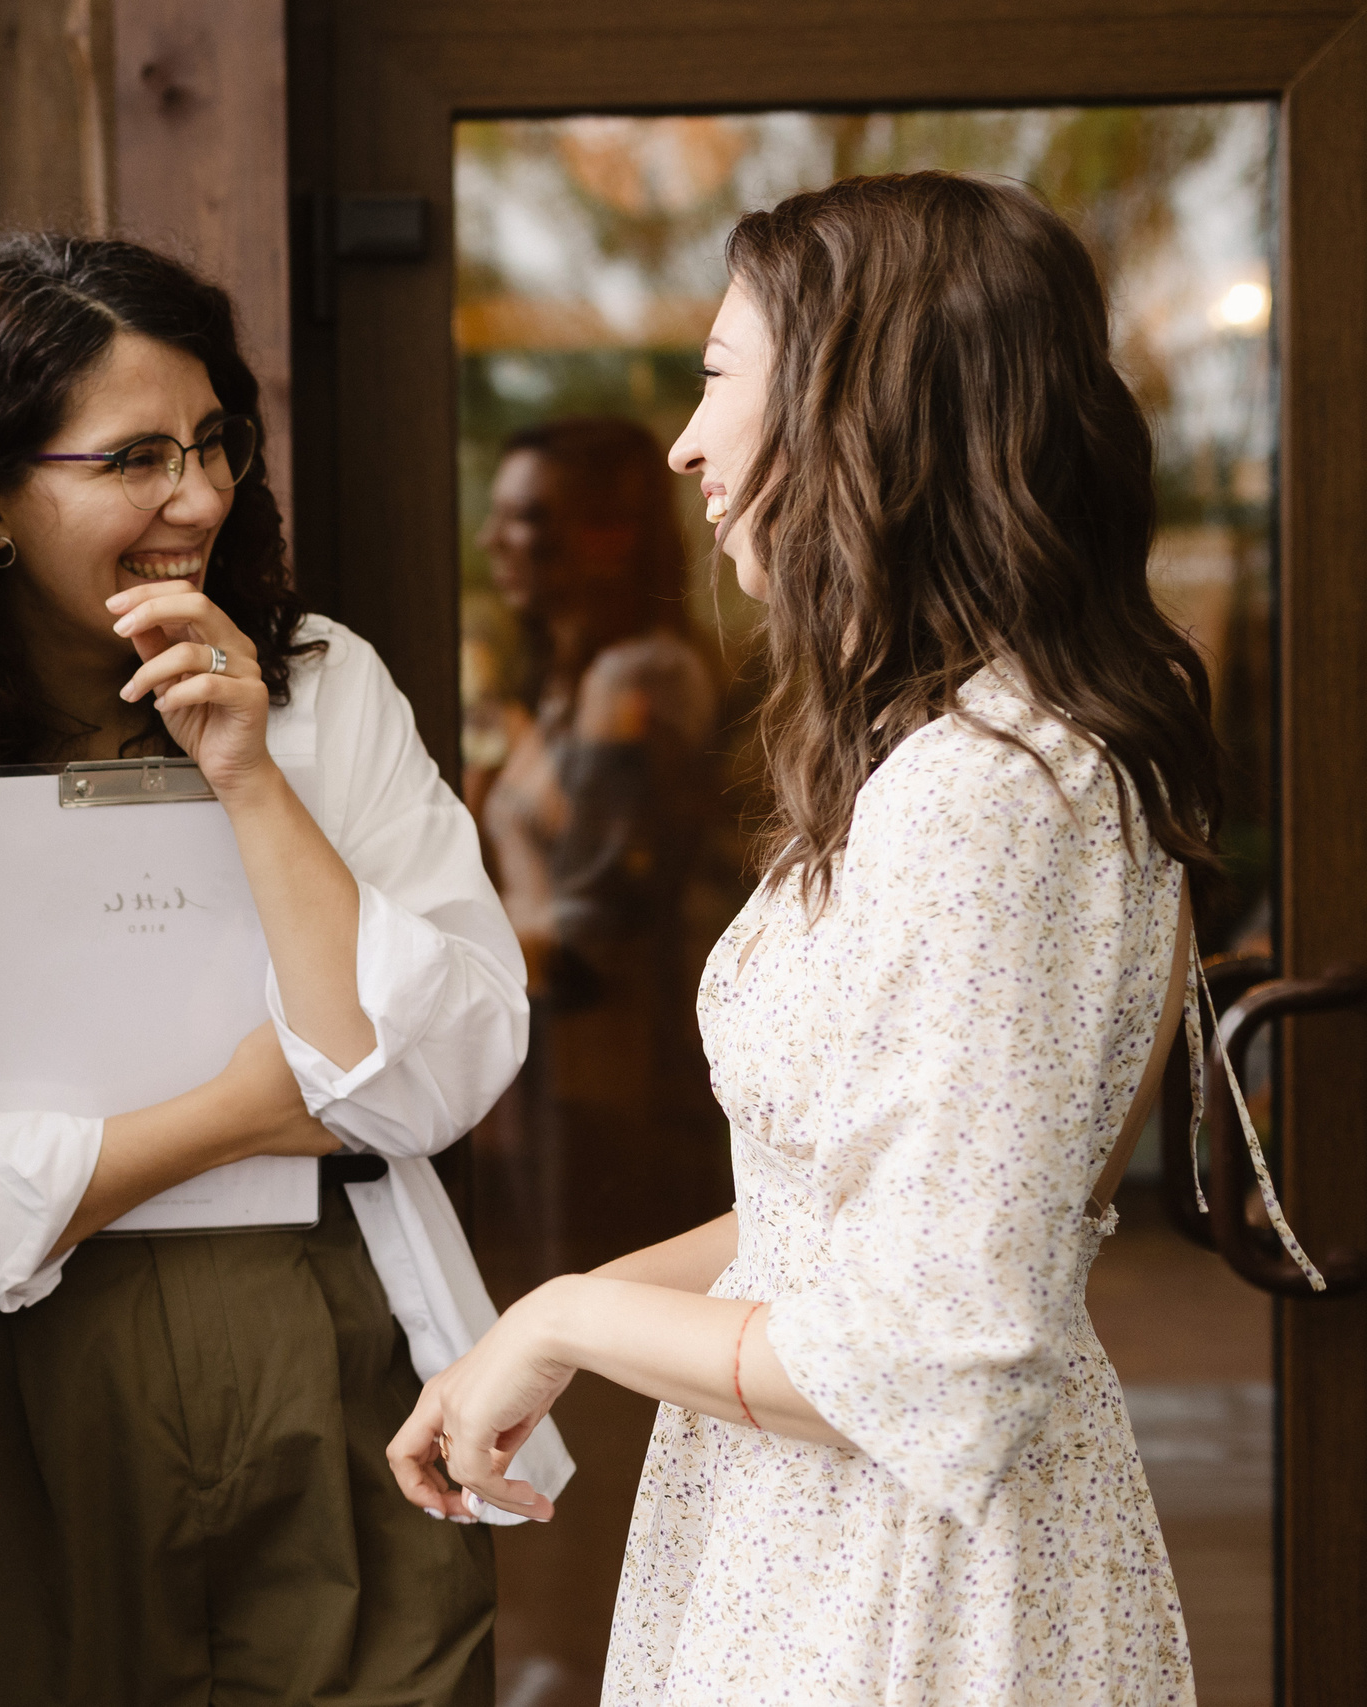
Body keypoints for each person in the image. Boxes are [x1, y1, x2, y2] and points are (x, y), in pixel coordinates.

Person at [389, 172, 1320, 1703]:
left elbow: (932, 1341)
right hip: (823, 1515)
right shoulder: (990, 752)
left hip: (901, 1558)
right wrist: (547, 1329)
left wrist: (560, 1311)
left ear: (860, 415)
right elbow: (831, 1215)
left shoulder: (985, 793)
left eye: (714, 380)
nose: (686, 440)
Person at [0, 233, 565, 1706]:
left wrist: (252, 774)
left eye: (211, 444)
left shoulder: (322, 688)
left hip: (339, 1378)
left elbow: (450, 1065)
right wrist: (249, 1105)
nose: (196, 496)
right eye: (134, 456)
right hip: (2, 1427)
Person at [464, 418, 726, 1277]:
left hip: (618, 1074)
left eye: (527, 517)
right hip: (564, 1066)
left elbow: (596, 919)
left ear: (609, 535)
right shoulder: (568, 683)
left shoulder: (639, 680)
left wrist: (436, 950)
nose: (492, 538)